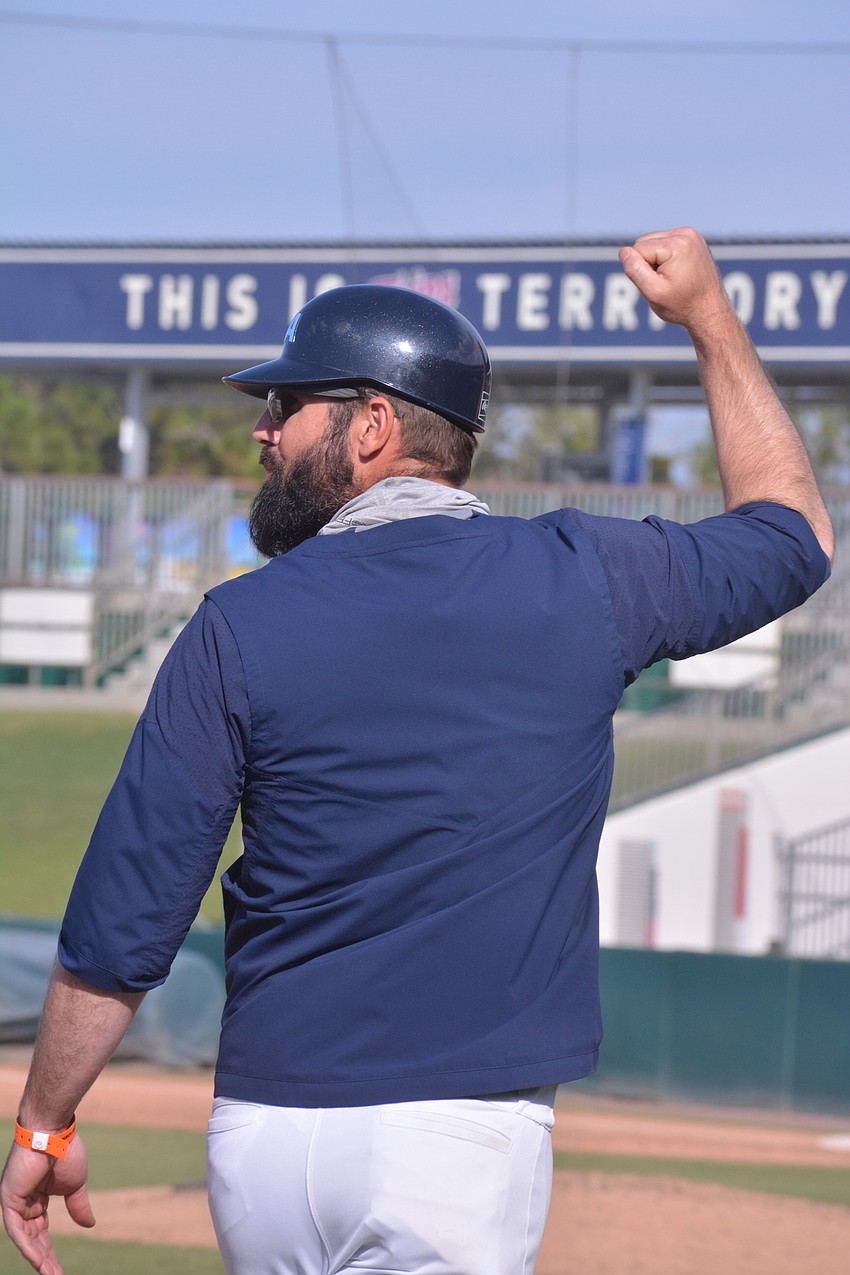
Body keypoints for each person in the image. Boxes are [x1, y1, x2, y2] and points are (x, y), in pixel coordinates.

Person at [0, 228, 834, 1275]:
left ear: (373, 426)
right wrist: (709, 319)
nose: (262, 429)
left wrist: (44, 1124)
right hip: (455, 1142)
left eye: (287, 403)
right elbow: (793, 533)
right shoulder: (588, 577)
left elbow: (124, 915)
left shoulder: (236, 624)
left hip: (264, 1144)